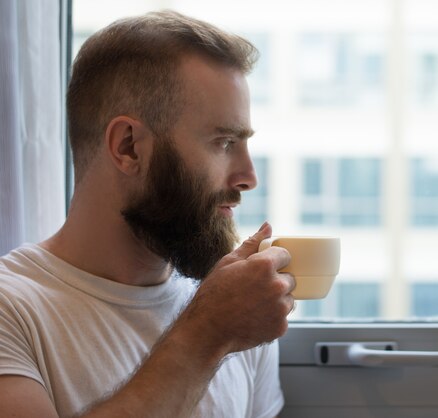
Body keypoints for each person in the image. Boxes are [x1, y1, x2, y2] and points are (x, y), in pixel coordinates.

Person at [0, 10, 295, 418]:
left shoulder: (237, 309)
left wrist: (219, 324)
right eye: (224, 142)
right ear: (128, 147)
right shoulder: (11, 311)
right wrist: (208, 334)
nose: (249, 178)